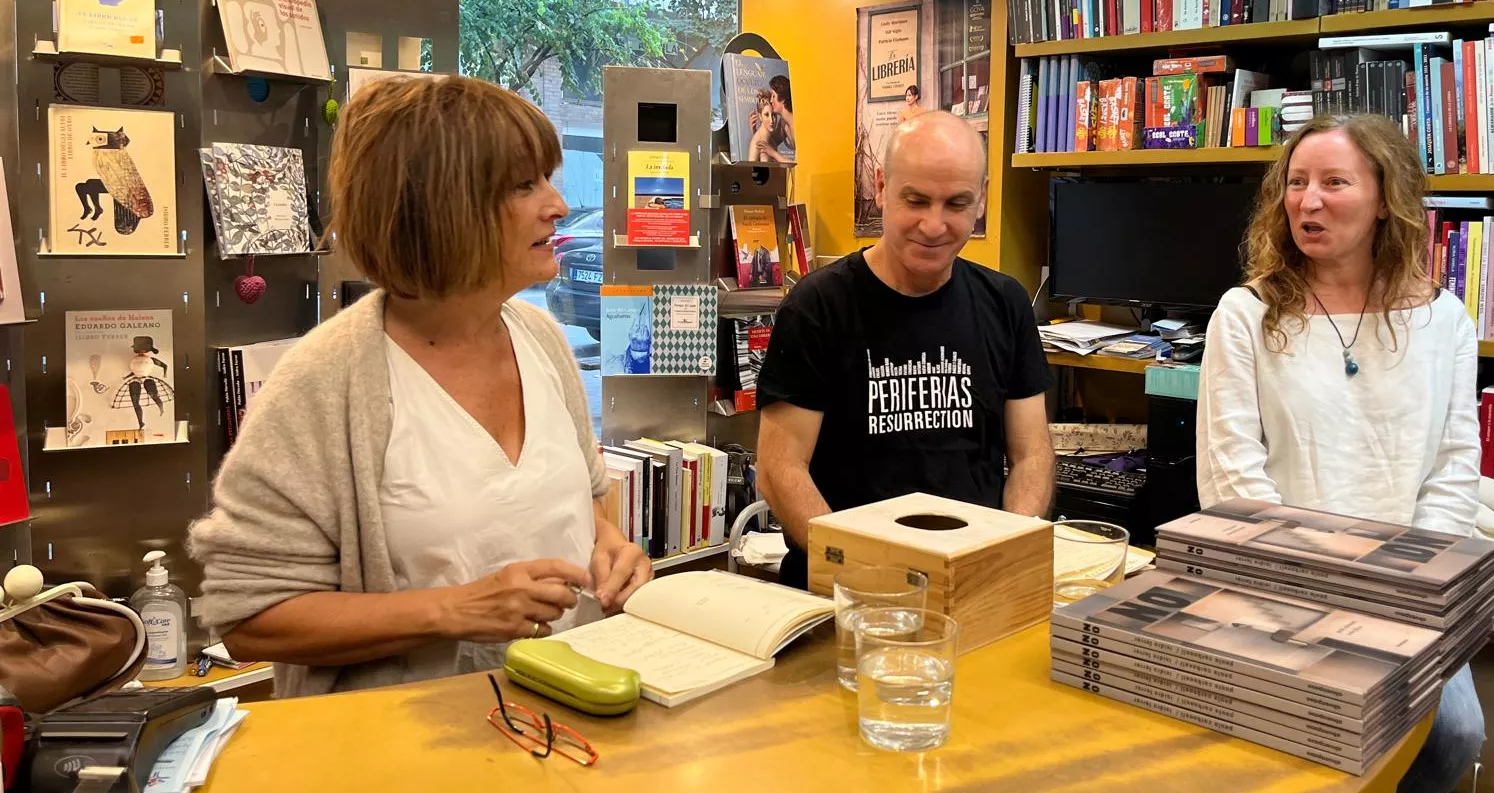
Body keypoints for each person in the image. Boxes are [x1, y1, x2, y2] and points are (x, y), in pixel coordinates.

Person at [188, 75, 652, 698]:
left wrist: (614, 548)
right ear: (444, 207)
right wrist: (455, 611)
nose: (558, 205)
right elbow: (249, 619)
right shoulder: (324, 383)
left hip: (571, 710)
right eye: (524, 184)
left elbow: (585, 505)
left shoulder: (540, 339)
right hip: (405, 758)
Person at [1196, 112, 1483, 793]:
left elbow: (1456, 469)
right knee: (1286, 741)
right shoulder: (1246, 315)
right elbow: (1231, 481)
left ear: (1385, 199)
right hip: (1275, 588)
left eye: (1333, 183)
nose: (1307, 202)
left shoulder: (1443, 320)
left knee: (1455, 735)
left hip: (1408, 596)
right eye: (1295, 183)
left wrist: (1398, 589)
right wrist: (1319, 588)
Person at [756, 111, 1055, 589]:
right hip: (845, 595)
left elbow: (1031, 454)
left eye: (956, 203)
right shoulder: (818, 307)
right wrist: (859, 576)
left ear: (981, 199)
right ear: (881, 186)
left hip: (971, 585)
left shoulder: (1006, 303)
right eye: (915, 200)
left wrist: (1008, 548)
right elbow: (779, 469)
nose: (934, 225)